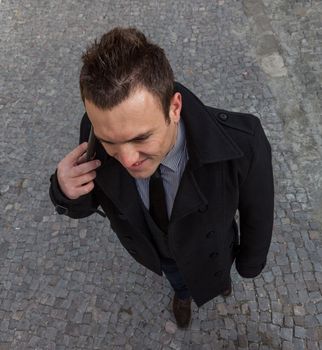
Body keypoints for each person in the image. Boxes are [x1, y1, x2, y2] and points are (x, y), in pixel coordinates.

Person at [49, 27, 274, 328]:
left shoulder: (244, 141)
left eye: (141, 138)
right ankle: (182, 293)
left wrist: (249, 265)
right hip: (159, 253)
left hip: (214, 248)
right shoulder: (96, 131)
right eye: (109, 141)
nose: (127, 159)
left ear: (175, 107)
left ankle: (219, 283)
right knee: (178, 277)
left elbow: (257, 212)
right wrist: (64, 190)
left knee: (216, 271)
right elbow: (89, 200)